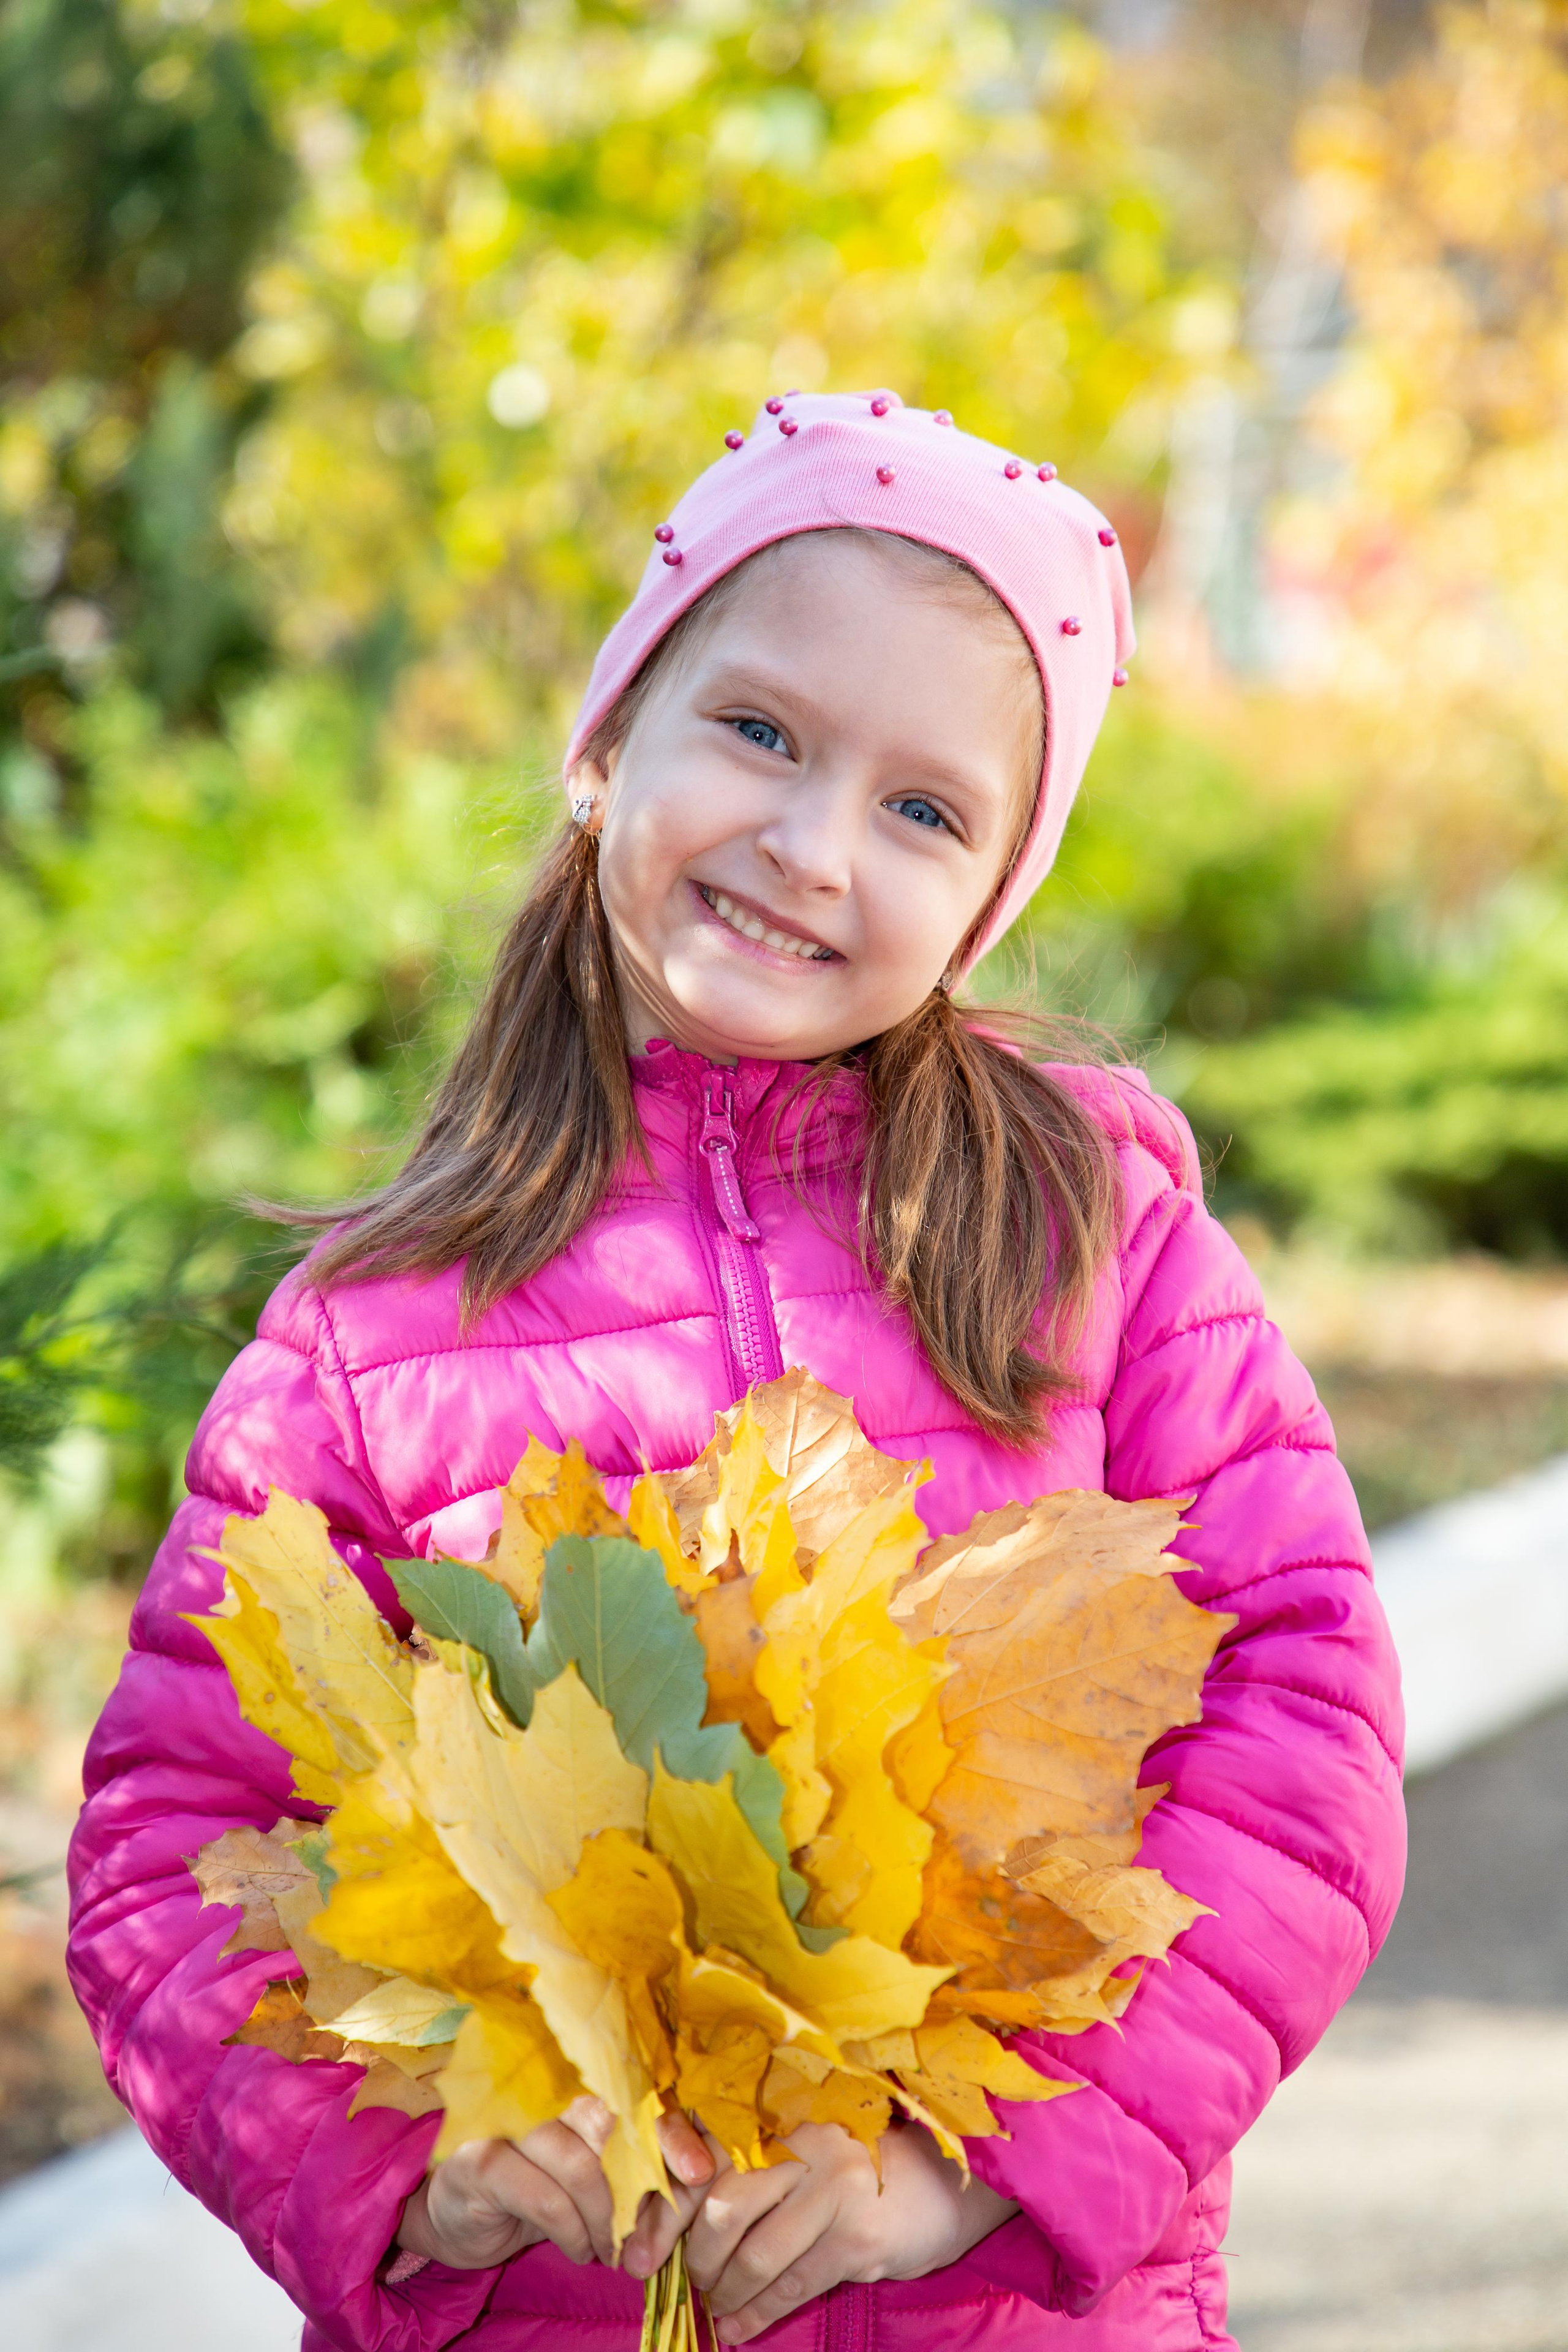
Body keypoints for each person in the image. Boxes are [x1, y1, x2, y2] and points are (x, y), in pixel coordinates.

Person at [67, 391, 1404, 2351]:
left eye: (923, 809)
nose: (809, 845)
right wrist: (394, 2167)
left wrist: (989, 2160)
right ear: (612, 739)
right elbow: (167, 1846)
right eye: (761, 732)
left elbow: (1308, 1727)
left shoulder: (1089, 1231)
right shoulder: (369, 1339)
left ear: (991, 893)